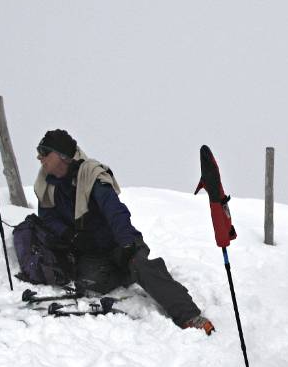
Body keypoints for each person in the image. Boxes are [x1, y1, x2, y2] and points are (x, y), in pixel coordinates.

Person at [33, 129, 214, 335]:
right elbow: (48, 218)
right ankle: (122, 273)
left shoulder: (91, 175)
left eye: (44, 152)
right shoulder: (47, 185)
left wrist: (127, 243)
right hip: (92, 253)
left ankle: (190, 316)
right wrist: (69, 235)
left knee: (142, 267)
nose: (39, 157)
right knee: (92, 283)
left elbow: (114, 211)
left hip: (119, 243)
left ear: (62, 156)